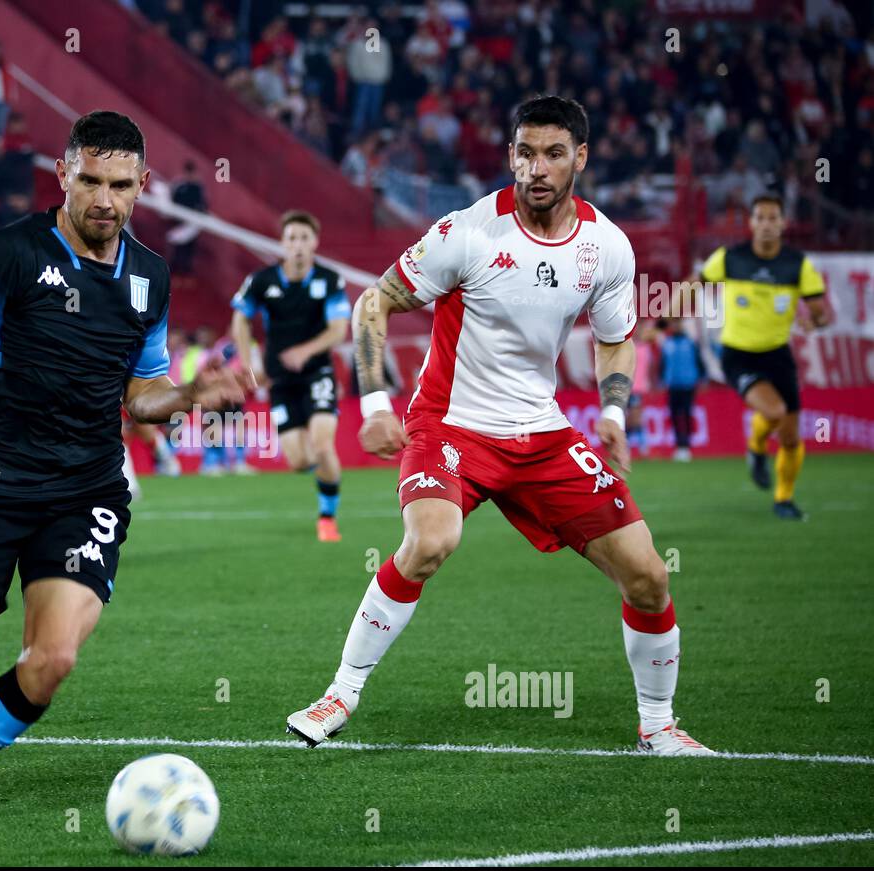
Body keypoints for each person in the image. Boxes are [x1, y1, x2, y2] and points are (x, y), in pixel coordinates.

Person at [284, 96, 714, 756]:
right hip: (450, 426)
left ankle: (658, 727)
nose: (536, 167)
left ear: (581, 158)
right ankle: (339, 693)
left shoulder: (607, 247)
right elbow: (374, 302)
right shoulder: (469, 232)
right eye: (524, 152)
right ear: (510, 154)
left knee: (649, 576)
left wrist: (613, 409)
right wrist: (373, 407)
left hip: (542, 434)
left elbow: (616, 338)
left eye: (552, 153)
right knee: (430, 543)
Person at [0, 111, 250, 827]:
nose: (103, 199)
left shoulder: (148, 276)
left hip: (86, 490)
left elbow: (143, 396)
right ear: (63, 173)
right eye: (89, 179)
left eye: (120, 185)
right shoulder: (9, 256)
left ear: (143, 185)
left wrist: (188, 393)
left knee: (51, 659)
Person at [696, 194, 830, 519]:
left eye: (774, 218)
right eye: (761, 217)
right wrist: (661, 321)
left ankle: (783, 499)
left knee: (790, 436)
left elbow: (821, 314)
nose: (767, 224)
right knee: (775, 410)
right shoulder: (730, 258)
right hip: (739, 355)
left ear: (783, 223)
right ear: (752, 223)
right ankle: (756, 447)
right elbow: (693, 286)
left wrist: (812, 321)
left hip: (778, 355)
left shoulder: (798, 265)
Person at [230, 210, 351, 541]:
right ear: (282, 243)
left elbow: (339, 330)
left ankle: (327, 517)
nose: (297, 244)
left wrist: (306, 351)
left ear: (315, 242)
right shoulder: (261, 281)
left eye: (304, 238)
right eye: (291, 238)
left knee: (323, 443)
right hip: (280, 380)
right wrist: (247, 361)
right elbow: (240, 318)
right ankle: (327, 474)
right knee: (298, 460)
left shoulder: (329, 279)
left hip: (318, 374)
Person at [657, 318, 704, 461]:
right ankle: (679, 446)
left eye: (678, 323)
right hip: (673, 386)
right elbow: (663, 364)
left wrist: (702, 378)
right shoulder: (667, 343)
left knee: (687, 414)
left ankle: (687, 446)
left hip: (688, 384)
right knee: (674, 416)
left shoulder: (690, 343)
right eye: (674, 324)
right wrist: (661, 380)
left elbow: (699, 362)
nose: (676, 326)